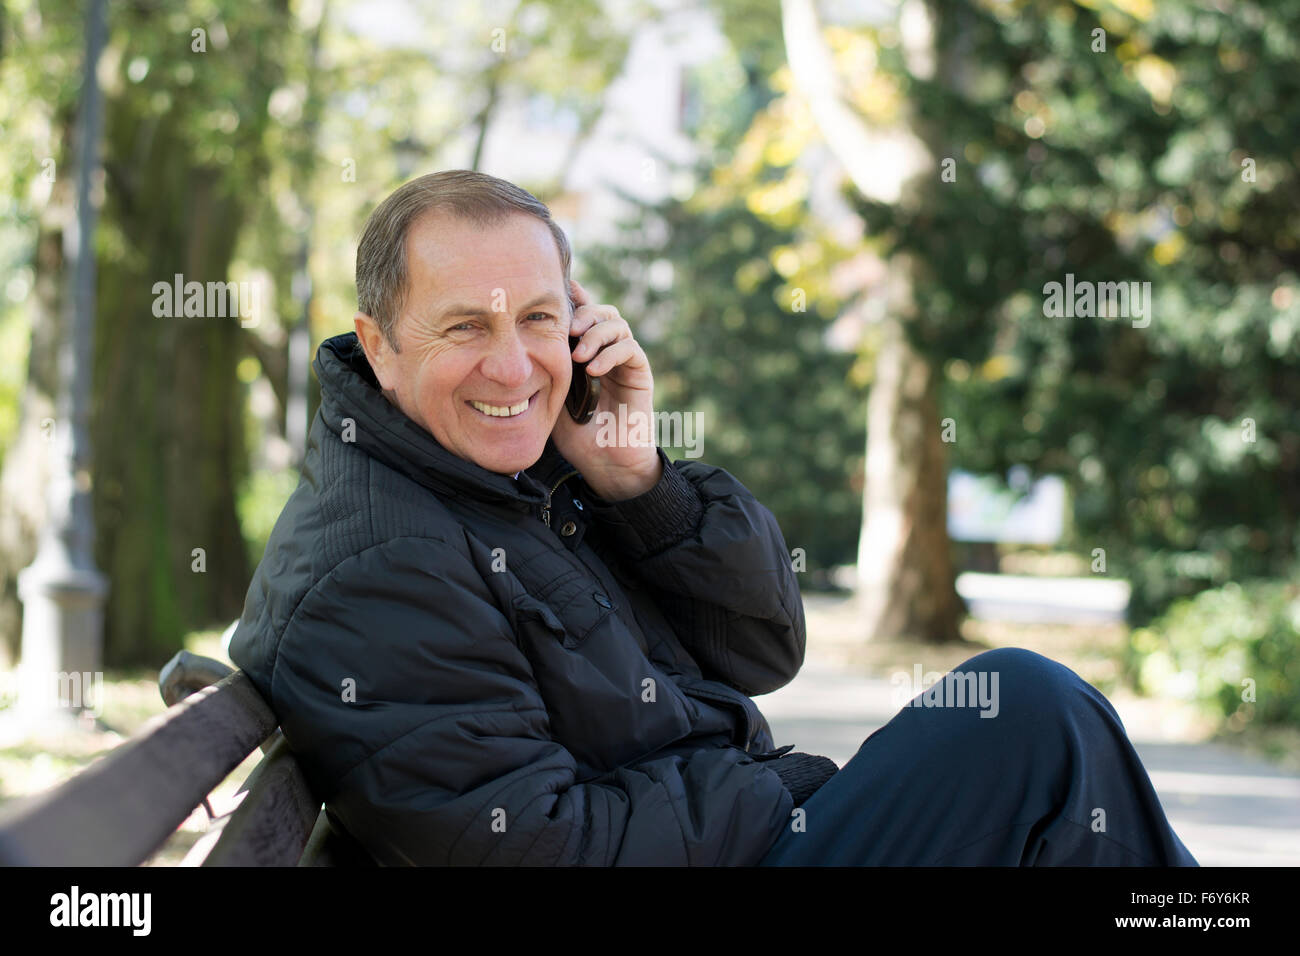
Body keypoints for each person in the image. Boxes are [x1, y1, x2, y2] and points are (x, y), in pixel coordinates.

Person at [227, 169, 1198, 867]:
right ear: (379, 343)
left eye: (535, 317)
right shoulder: (379, 564)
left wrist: (637, 480)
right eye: (465, 326)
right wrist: (780, 788)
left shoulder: (515, 475)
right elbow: (534, 842)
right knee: (1025, 717)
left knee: (1040, 749)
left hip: (739, 835)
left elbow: (764, 643)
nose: (516, 366)